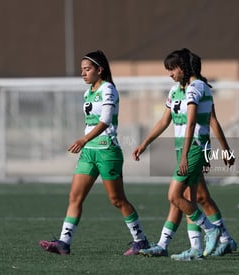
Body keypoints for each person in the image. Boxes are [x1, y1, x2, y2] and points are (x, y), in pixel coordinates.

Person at [39, 50, 149, 256]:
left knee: (117, 200)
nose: (83, 73)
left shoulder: (108, 89)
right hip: (89, 153)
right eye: (82, 69)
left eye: (87, 69)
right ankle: (64, 242)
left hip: (107, 151)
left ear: (100, 70)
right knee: (75, 196)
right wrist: (86, 142)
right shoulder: (88, 92)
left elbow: (105, 120)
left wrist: (83, 139)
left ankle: (141, 240)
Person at [133, 48, 234, 260]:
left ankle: (212, 231)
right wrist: (145, 143)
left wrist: (212, 152)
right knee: (192, 197)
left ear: (184, 67)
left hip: (194, 147)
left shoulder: (196, 88)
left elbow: (196, 124)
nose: (169, 73)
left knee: (175, 196)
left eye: (172, 69)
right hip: (184, 148)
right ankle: (197, 246)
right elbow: (164, 121)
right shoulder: (177, 90)